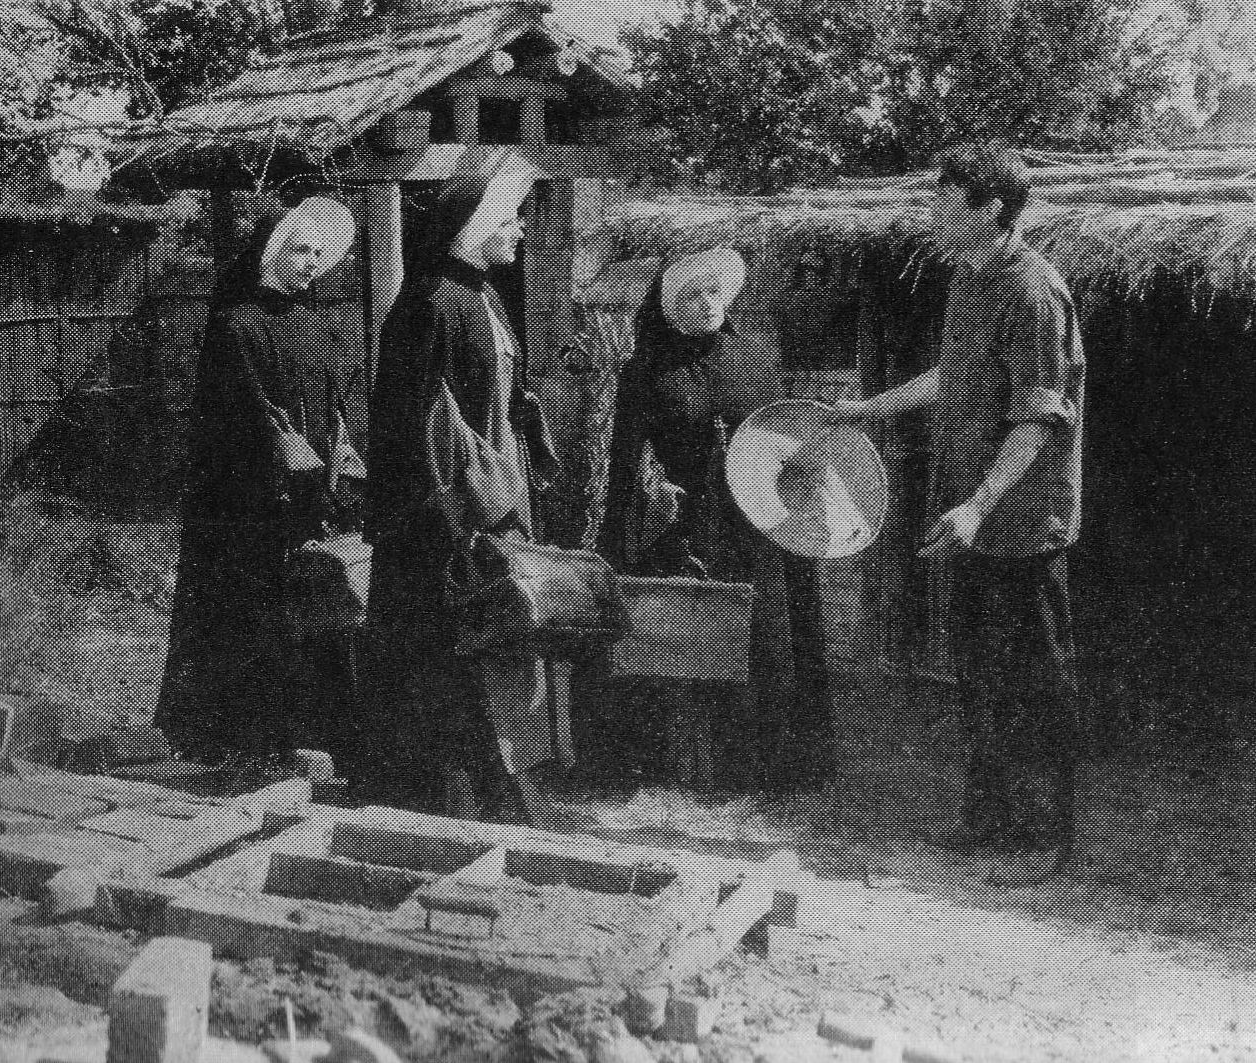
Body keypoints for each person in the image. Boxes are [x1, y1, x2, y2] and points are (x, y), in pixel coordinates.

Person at [825, 141, 1086, 861]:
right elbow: (954, 372)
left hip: (1024, 523)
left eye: (945, 200)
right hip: (973, 521)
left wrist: (979, 503)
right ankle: (992, 820)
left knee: (1035, 681)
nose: (932, 212)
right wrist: (868, 409)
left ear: (991, 208)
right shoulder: (968, 282)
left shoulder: (1035, 291)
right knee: (980, 676)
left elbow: (1038, 416)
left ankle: (1047, 839)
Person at [364, 148, 562, 820]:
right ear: (472, 226)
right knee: (451, 645)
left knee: (502, 635)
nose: (520, 230)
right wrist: (454, 505)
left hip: (498, 491)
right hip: (449, 510)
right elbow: (411, 421)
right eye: (508, 219)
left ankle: (503, 781)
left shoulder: (489, 298)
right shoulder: (428, 306)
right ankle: (451, 793)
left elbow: (502, 396)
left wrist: (526, 434)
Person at [597, 247, 839, 792]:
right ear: (667, 304)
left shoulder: (748, 348)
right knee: (685, 644)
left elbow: (782, 428)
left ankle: (776, 766)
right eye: (689, 297)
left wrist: (803, 498)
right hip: (687, 520)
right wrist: (634, 520)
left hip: (759, 512)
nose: (705, 306)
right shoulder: (647, 367)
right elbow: (627, 455)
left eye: (714, 294)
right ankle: (673, 767)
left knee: (771, 636)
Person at [156, 196, 358, 780]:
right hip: (242, 500)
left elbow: (330, 412)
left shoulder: (315, 324)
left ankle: (285, 741)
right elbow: (261, 418)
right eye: (300, 249)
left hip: (296, 497)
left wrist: (342, 471)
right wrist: (302, 474)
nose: (310, 263)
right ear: (274, 248)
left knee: (296, 617)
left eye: (323, 254)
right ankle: (226, 745)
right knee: (235, 619)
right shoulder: (237, 323)